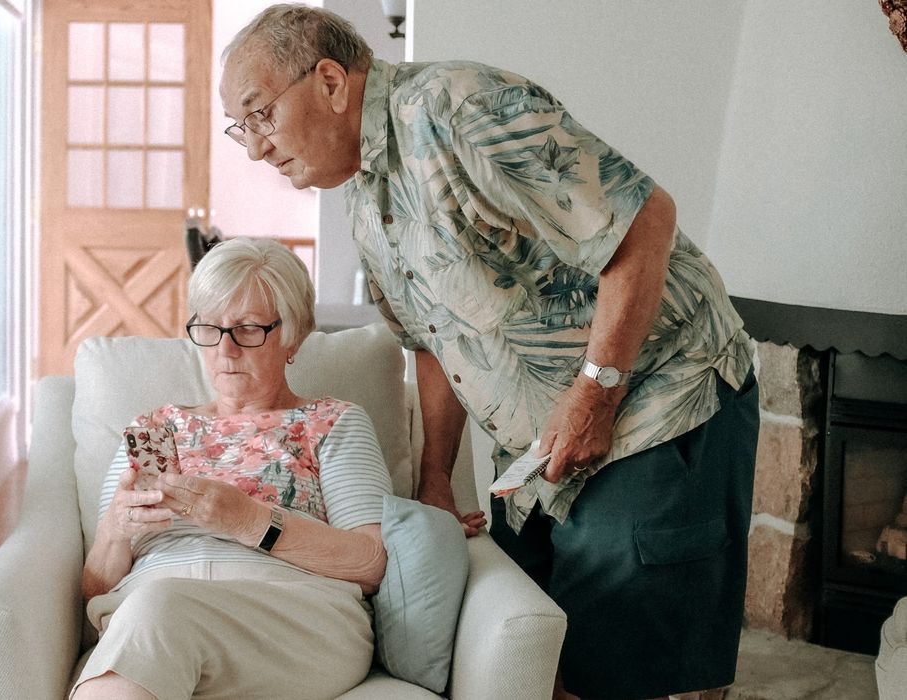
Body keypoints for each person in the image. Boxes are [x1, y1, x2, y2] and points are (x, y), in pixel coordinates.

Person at [218, 5, 759, 699]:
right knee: (544, 662)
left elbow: (644, 220)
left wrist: (595, 391)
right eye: (242, 129)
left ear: (328, 80)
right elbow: (433, 343)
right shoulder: (361, 195)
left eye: (259, 114)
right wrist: (435, 477)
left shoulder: (459, 108)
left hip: (657, 405)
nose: (255, 147)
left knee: (643, 671)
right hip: (538, 454)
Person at [71, 237, 394, 700]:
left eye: (247, 329)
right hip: (155, 614)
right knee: (155, 607)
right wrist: (116, 530)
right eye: (209, 327)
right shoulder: (155, 428)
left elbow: (371, 562)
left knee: (159, 608)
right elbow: (95, 587)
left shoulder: (331, 422)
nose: (225, 350)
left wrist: (249, 521)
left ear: (293, 335)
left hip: (293, 622)